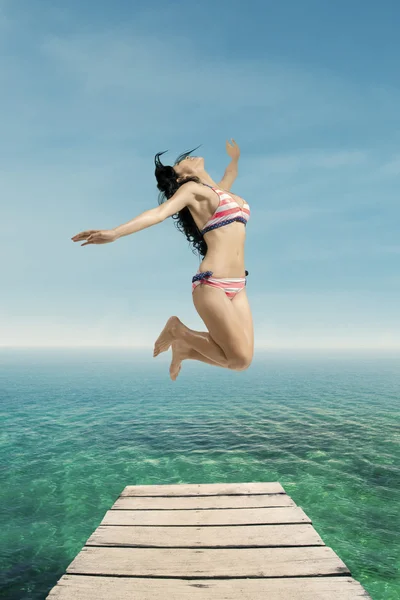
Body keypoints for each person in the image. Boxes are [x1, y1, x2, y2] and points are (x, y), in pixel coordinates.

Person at [71, 140, 254, 380]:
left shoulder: (221, 192)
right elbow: (157, 214)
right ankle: (177, 330)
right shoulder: (193, 192)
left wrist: (235, 159)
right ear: (181, 179)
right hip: (213, 284)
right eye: (180, 163)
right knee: (237, 358)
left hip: (238, 285)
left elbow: (231, 174)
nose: (186, 158)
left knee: (243, 362)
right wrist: (115, 233)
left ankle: (185, 347)